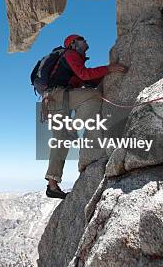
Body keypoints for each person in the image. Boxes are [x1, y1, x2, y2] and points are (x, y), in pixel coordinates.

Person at [44, 34, 128, 199]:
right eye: (82, 39)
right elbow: (84, 75)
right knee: (94, 97)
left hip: (54, 99)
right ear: (74, 43)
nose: (86, 41)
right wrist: (109, 69)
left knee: (60, 141)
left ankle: (52, 185)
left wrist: (102, 77)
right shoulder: (70, 54)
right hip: (59, 96)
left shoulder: (73, 59)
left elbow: (84, 79)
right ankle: (72, 128)